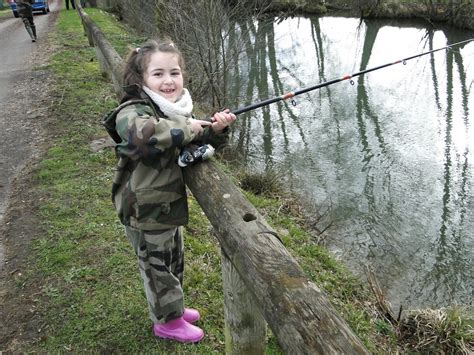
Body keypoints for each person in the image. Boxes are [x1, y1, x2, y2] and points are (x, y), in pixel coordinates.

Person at [102, 38, 236, 343]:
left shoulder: (175, 110)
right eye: (158, 74)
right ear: (141, 79)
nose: (168, 81)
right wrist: (190, 127)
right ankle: (166, 321)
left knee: (173, 260)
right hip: (144, 209)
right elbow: (144, 135)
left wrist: (215, 131)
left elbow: (192, 147)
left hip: (166, 206)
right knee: (157, 267)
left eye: (174, 73)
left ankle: (173, 307)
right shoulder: (133, 110)